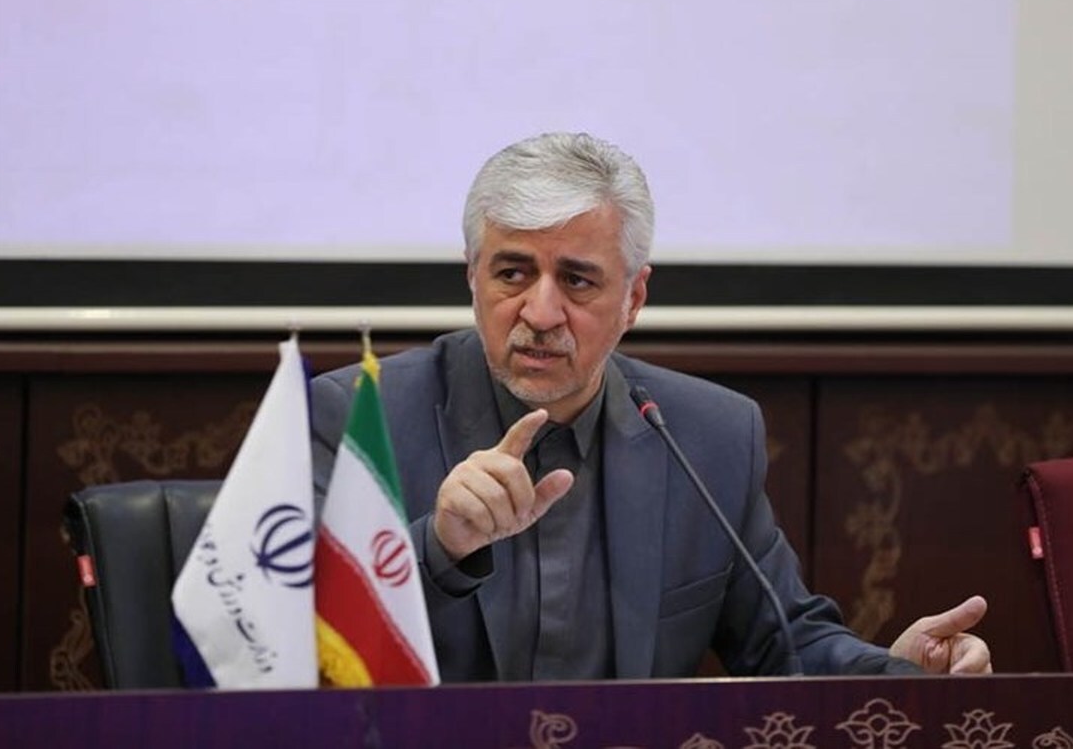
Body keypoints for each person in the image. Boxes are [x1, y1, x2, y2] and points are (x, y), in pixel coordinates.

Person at [310, 131, 992, 681]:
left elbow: (786, 642)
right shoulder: (360, 420)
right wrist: (440, 545)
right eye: (513, 273)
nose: (540, 312)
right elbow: (296, 642)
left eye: (577, 281)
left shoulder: (708, 436)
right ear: (472, 276)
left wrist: (896, 674)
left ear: (633, 298)